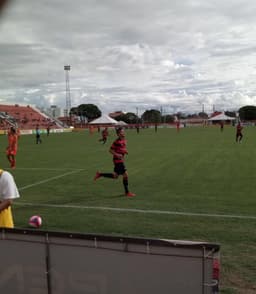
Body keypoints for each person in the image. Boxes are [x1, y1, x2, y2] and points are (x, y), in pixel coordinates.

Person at [94, 127, 136, 197]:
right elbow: (110, 150)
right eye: (121, 132)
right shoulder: (116, 142)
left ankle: (100, 174)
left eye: (123, 131)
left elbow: (122, 148)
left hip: (120, 160)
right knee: (125, 175)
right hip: (117, 161)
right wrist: (117, 154)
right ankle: (127, 192)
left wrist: (125, 151)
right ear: (118, 134)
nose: (123, 133)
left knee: (115, 176)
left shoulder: (124, 140)